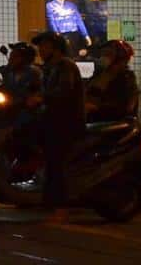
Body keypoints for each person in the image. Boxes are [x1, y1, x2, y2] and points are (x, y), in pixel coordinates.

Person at [32, 29, 85, 211]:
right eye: (40, 47)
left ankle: (57, 198)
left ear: (56, 48)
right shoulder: (48, 69)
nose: (41, 50)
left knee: (55, 158)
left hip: (65, 122)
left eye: (45, 46)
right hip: (51, 119)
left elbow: (63, 93)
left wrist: (42, 98)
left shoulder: (65, 67)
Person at [86, 40, 139, 122]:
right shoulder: (99, 74)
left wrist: (96, 108)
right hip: (95, 124)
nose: (102, 57)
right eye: (103, 54)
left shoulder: (126, 78)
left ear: (119, 59)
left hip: (117, 128)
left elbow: (125, 107)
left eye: (107, 55)